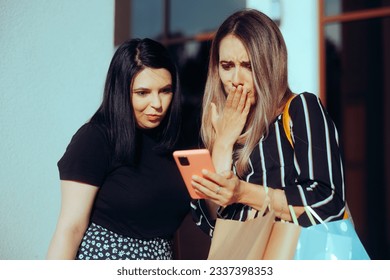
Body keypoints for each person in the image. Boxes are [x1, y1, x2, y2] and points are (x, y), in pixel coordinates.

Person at [190, 9, 346, 236]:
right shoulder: (220, 127)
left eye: (248, 66)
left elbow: (327, 201)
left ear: (270, 64)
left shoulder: (300, 109)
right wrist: (223, 142)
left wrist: (242, 192)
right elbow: (214, 225)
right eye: (227, 66)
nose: (236, 80)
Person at [47, 38, 190, 260]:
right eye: (142, 92)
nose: (157, 104)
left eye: (165, 90)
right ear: (122, 91)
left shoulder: (175, 143)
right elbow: (70, 229)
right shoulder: (95, 138)